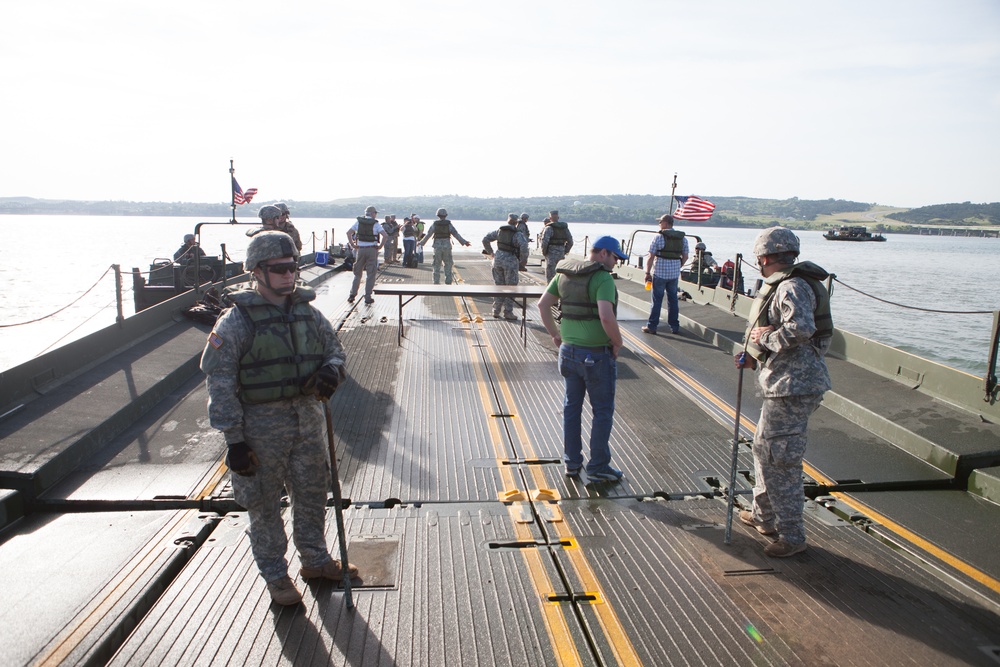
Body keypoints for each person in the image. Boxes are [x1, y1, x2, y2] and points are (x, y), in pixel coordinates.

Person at [200, 231, 358, 606]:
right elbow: (219, 381)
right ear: (256, 272)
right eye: (279, 269)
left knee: (311, 494)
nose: (289, 276)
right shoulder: (236, 323)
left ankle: (315, 561)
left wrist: (331, 372)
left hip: (306, 421)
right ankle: (276, 577)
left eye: (293, 267)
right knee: (264, 504)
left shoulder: (310, 315)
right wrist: (234, 441)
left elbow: (336, 353)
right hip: (259, 428)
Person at [734, 227, 833, 558]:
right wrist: (755, 353)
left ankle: (791, 534)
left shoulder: (790, 286)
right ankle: (765, 516)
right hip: (782, 383)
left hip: (794, 386)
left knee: (781, 461)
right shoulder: (789, 283)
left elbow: (801, 328)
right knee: (764, 450)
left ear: (764, 258)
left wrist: (763, 341)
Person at [537, 236, 627, 482]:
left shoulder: (564, 274)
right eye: (615, 257)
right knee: (602, 411)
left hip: (568, 352)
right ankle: (598, 466)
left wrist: (555, 335)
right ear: (603, 254)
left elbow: (543, 305)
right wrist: (618, 343)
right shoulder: (603, 278)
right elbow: (606, 317)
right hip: (596, 354)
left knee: (571, 408)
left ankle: (572, 462)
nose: (616, 263)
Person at [642, 214, 689, 335]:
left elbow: (650, 256)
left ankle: (652, 326)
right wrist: (678, 266)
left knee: (657, 300)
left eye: (660, 222)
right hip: (674, 274)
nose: (659, 224)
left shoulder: (658, 237)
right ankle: (674, 326)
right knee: (673, 300)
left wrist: (647, 272)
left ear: (666, 223)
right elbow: (685, 256)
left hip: (659, 273)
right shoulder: (682, 238)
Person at [482, 216, 529, 320]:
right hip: (510, 261)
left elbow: (485, 239)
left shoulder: (499, 231)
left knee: (499, 286)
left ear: (507, 221)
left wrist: (490, 252)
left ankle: (496, 310)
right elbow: (524, 246)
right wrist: (523, 259)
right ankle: (508, 312)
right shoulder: (518, 234)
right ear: (516, 223)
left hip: (497, 259)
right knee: (511, 287)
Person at [346, 205, 387, 304]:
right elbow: (385, 235)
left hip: (360, 250)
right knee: (371, 274)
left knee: (357, 274)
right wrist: (380, 246)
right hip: (371, 250)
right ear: (372, 214)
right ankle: (367, 296)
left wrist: (353, 244)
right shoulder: (376, 224)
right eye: (375, 213)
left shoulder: (359, 222)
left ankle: (352, 295)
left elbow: (348, 233)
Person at [420, 207, 471, 284]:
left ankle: (436, 282)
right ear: (446, 215)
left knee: (436, 265)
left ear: (437, 215)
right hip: (447, 246)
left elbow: (428, 234)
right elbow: (455, 234)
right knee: (448, 265)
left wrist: (421, 243)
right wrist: (464, 242)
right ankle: (448, 282)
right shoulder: (449, 224)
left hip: (437, 247)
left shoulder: (435, 224)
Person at [540, 210, 573, 283]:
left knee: (551, 276)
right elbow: (570, 242)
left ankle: (550, 292)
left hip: (551, 254)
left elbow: (544, 242)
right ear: (558, 217)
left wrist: (544, 252)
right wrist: (565, 251)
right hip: (561, 253)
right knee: (560, 274)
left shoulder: (548, 228)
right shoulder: (564, 228)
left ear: (550, 218)